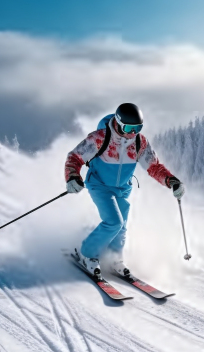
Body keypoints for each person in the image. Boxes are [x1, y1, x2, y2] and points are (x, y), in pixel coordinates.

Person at [64, 103, 185, 276]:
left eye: (138, 128)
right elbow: (75, 157)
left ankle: (115, 258)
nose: (133, 133)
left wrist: (171, 181)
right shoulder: (100, 138)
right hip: (100, 185)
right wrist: (72, 176)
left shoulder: (139, 142)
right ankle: (87, 254)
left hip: (123, 188)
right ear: (119, 123)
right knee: (113, 222)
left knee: (121, 227)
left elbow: (154, 167)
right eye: (129, 127)